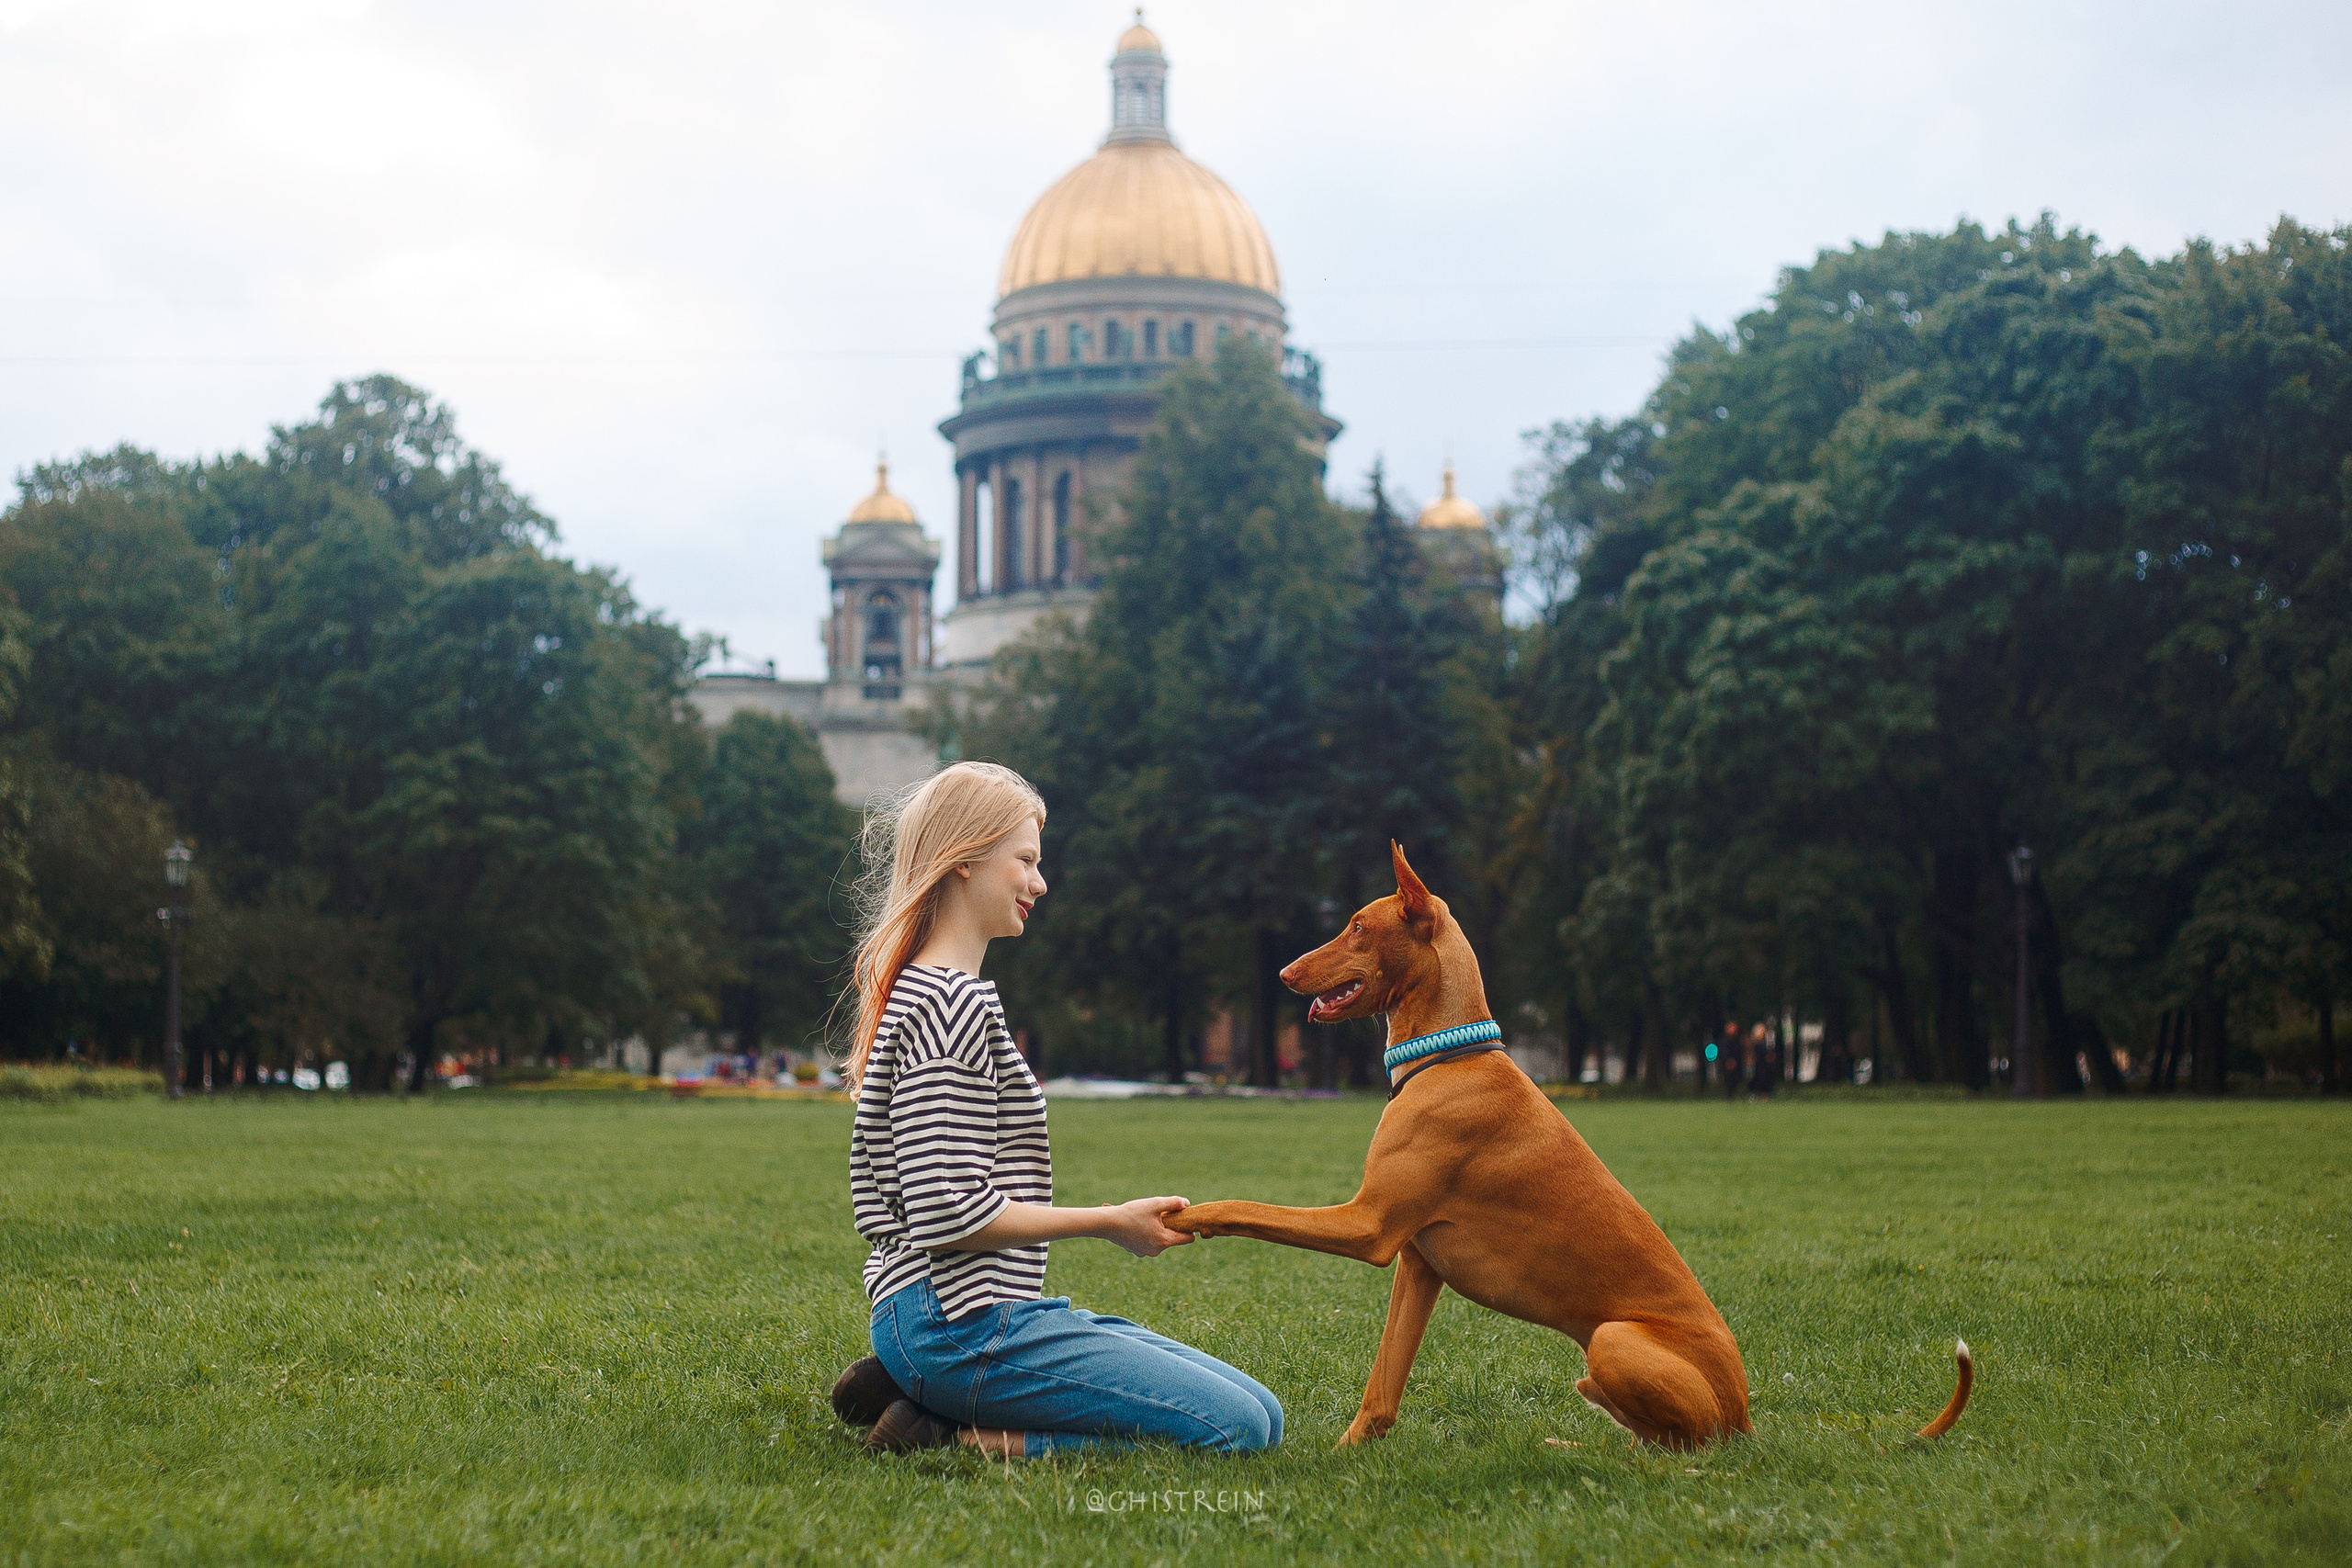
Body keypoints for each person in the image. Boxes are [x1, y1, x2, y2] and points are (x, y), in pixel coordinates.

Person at [830, 761, 1283, 1458]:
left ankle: (918, 1394)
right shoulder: (948, 1003)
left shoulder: (931, 993)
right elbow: (947, 1210)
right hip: (957, 1326)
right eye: (1026, 860)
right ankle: (958, 1432)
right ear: (964, 861)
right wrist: (1111, 1221)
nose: (1040, 883)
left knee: (1266, 1413)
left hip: (967, 1317)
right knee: (1238, 1430)